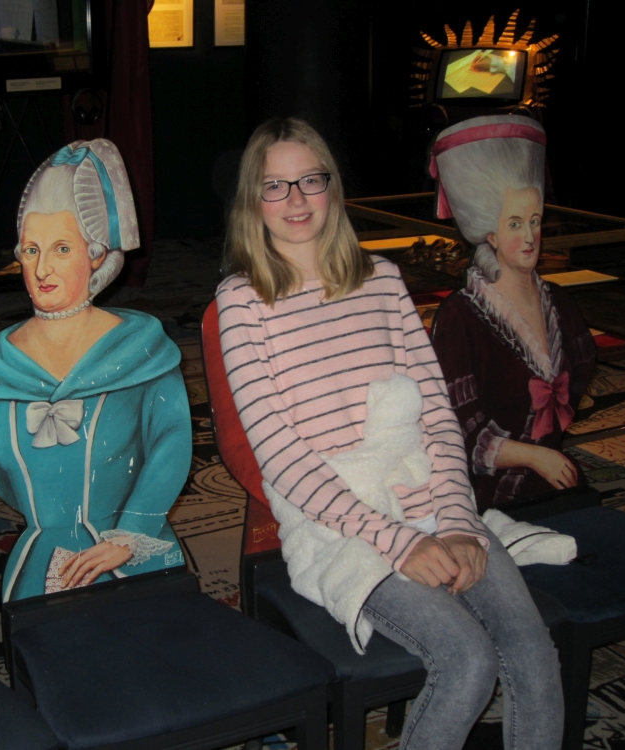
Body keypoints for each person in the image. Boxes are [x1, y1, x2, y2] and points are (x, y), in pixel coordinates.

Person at [216, 117, 562, 750]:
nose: (296, 199)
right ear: (252, 200)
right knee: (468, 663)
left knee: (532, 652)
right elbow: (282, 458)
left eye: (311, 180)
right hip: (343, 526)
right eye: (275, 185)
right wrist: (398, 542)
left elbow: (436, 414)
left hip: (433, 500)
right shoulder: (242, 302)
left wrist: (457, 521)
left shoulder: (381, 279)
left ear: (331, 186)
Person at [0, 139, 191, 602]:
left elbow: (171, 444)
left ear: (95, 255)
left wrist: (130, 534)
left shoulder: (141, 351)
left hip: (129, 547)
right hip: (39, 552)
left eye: (62, 248)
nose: (42, 269)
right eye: (31, 250)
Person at [429, 115, 596, 512]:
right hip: (488, 496)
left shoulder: (558, 302)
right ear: (490, 233)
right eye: (516, 223)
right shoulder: (460, 317)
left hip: (554, 479)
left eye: (535, 222)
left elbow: (583, 362)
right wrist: (533, 455)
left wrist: (548, 443)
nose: (529, 237)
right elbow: (454, 430)